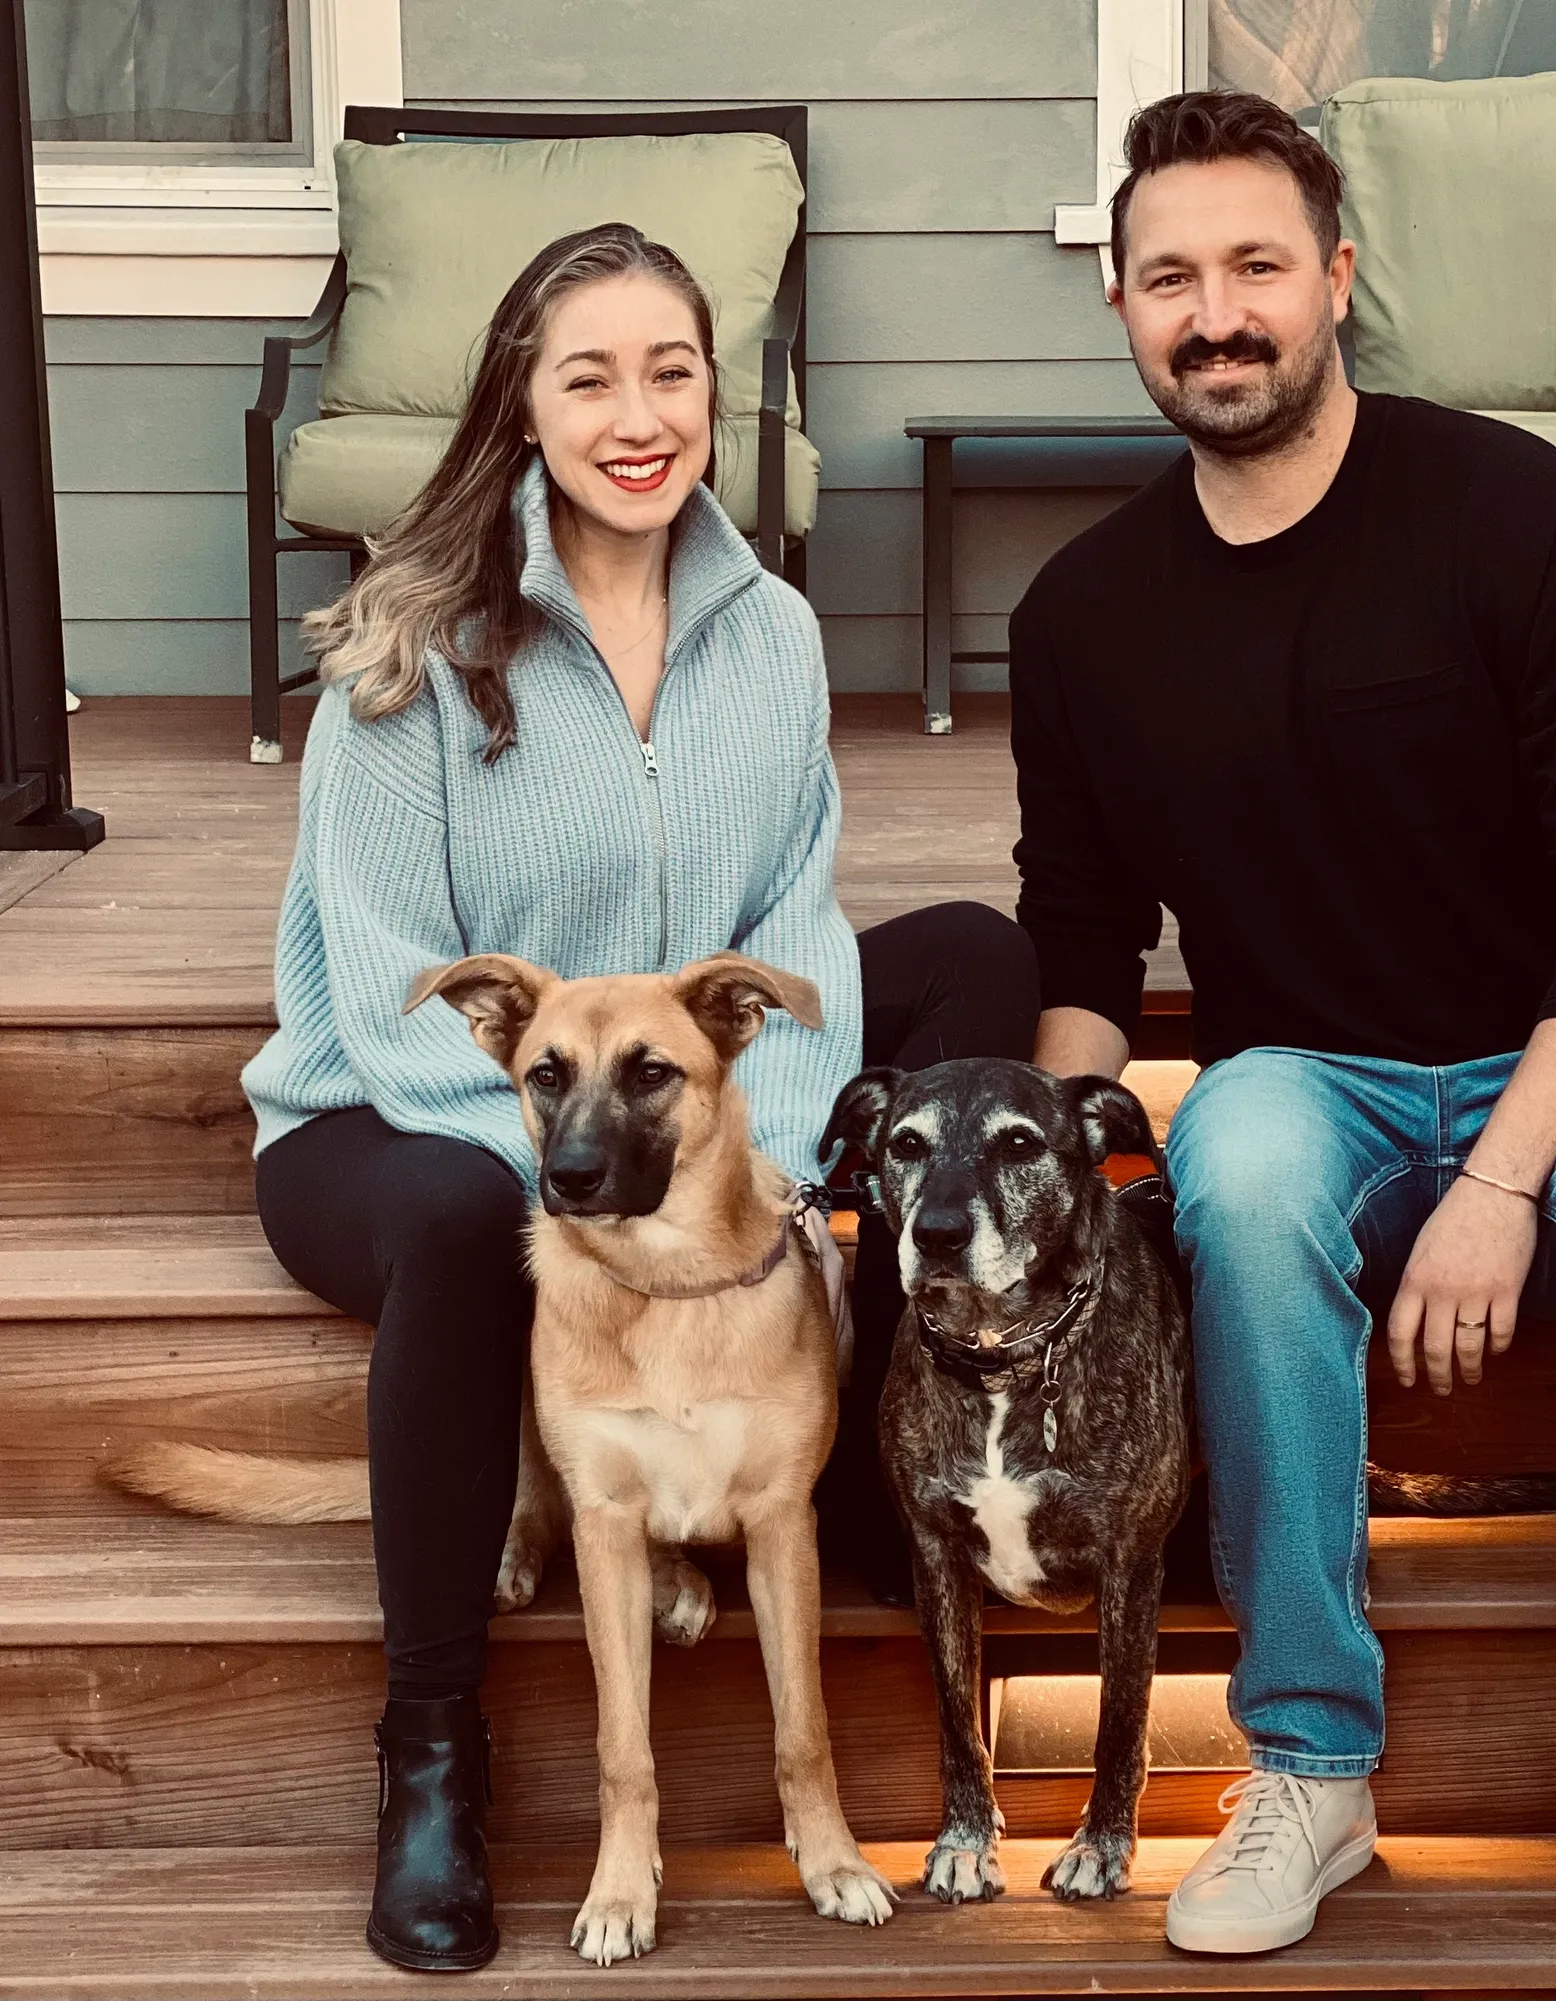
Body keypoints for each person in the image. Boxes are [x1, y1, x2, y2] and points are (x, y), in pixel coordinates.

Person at [1009, 94, 1556, 1985]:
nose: (1216, 315)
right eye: (1170, 279)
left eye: (1255, 268)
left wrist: (1501, 1177)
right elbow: (1080, 933)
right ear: (1126, 309)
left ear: (1338, 282)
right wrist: (1058, 1147)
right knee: (1238, 1168)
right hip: (1309, 1070)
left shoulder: (1509, 512)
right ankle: (1308, 1761)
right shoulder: (1085, 614)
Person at [242, 223, 1036, 1973]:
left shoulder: (771, 634)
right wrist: (597, 1200)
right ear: (521, 407)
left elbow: (793, 919)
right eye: (587, 375)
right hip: (411, 1119)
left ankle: (844, 1481)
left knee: (977, 957)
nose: (637, 414)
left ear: (717, 395)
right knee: (469, 1228)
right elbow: (391, 994)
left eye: (670, 372)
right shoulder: (411, 647)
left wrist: (777, 1195)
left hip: (680, 1089)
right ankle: (432, 1743)